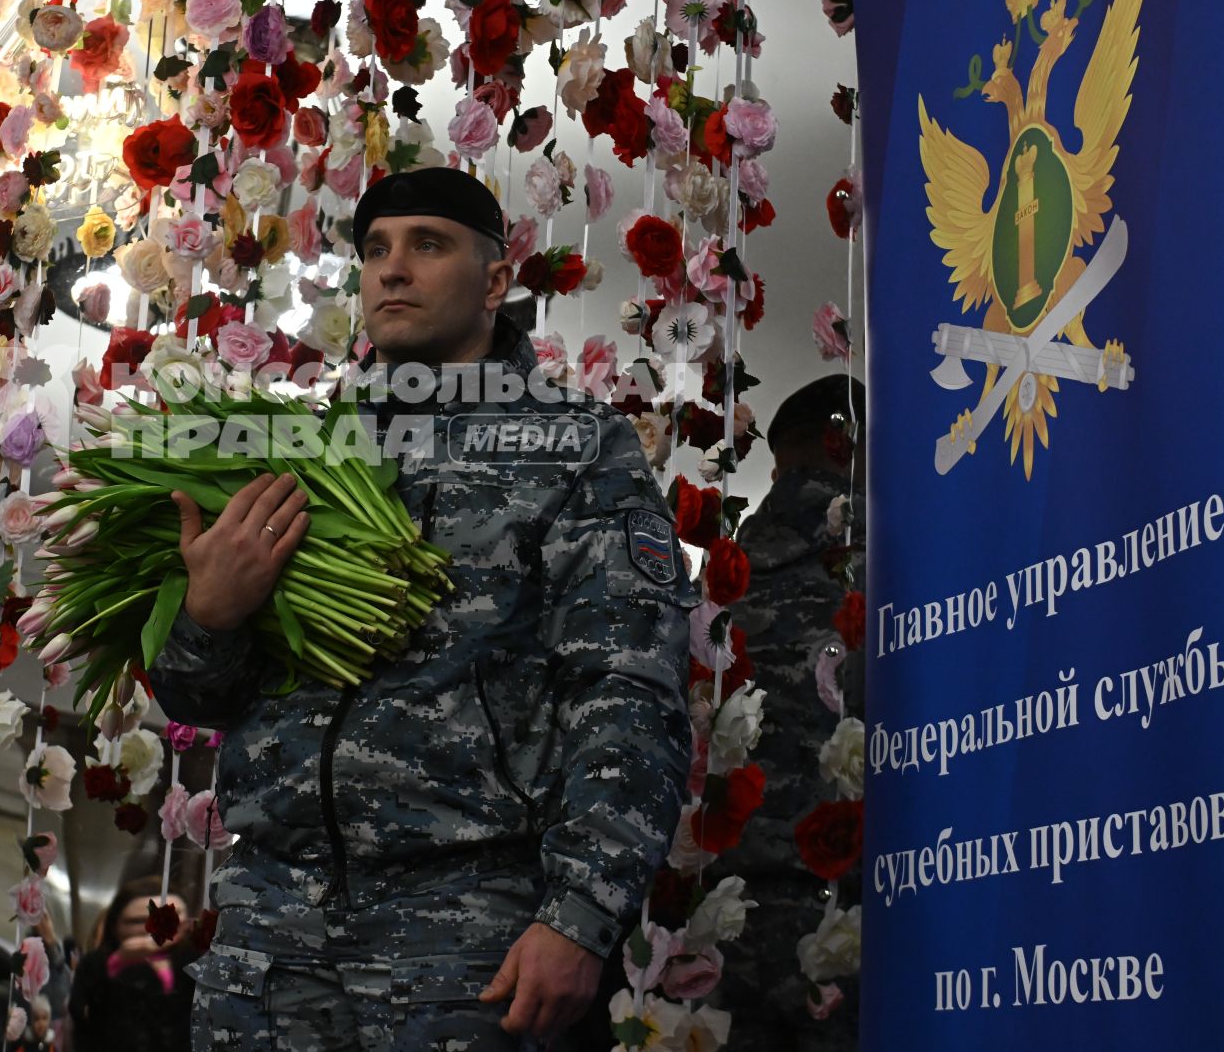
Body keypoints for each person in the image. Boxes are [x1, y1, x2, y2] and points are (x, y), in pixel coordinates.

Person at [148, 167, 695, 1050]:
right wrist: (210, 617)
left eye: (426, 245)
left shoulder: (574, 445)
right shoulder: (302, 446)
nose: (390, 270)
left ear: (495, 281)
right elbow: (200, 698)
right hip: (269, 928)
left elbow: (627, 688)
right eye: (374, 250)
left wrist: (582, 913)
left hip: (467, 931)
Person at [709, 376, 866, 1052]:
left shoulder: (716, 581)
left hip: (719, 925)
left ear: (776, 466)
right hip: (842, 930)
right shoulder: (884, 569)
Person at [64, 877, 194, 1052]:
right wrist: (118, 966)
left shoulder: (196, 965)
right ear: (115, 927)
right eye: (138, 921)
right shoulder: (96, 965)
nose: (155, 929)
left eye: (172, 918)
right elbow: (85, 1023)